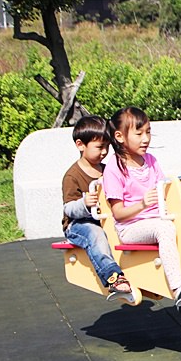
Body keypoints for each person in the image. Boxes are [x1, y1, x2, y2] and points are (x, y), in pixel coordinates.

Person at [102, 106, 181, 310]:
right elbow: (118, 213)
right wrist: (142, 203)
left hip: (157, 218)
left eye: (148, 132)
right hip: (131, 227)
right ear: (119, 136)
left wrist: (179, 191)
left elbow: (163, 191)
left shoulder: (151, 161)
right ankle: (178, 288)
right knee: (165, 228)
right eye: (139, 133)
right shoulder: (115, 167)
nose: (145, 138)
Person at [61, 116, 133, 303]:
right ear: (80, 145)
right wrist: (85, 204)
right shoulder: (72, 175)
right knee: (96, 235)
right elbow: (68, 208)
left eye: (107, 147)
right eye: (99, 147)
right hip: (79, 224)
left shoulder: (107, 169)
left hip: (105, 219)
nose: (104, 152)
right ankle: (112, 277)